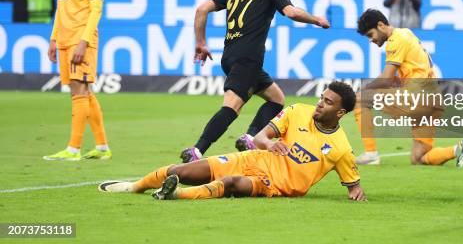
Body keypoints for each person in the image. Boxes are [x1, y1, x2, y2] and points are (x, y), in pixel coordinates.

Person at [180, 0, 330, 163]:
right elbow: (291, 12)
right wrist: (317, 19)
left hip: (230, 56)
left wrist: (201, 43)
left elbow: (202, 9)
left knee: (277, 99)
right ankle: (197, 150)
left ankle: (250, 137)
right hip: (247, 57)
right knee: (232, 106)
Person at [99, 82, 366, 201]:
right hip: (253, 159)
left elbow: (353, 185)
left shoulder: (341, 149)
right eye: (321, 97)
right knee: (182, 171)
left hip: (273, 185)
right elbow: (261, 136)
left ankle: (175, 194)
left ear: (340, 113)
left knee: (230, 184)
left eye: (328, 102)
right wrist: (269, 144)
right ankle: (134, 187)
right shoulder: (298, 110)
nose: (320, 103)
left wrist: (355, 192)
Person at [353, 9, 463, 167]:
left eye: (370, 34)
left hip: (417, 98)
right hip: (434, 100)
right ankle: (456, 150)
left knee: (360, 99)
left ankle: (371, 153)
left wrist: (364, 89)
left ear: (380, 25)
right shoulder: (406, 33)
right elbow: (397, 76)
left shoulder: (395, 40)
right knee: (419, 157)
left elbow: (386, 78)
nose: (370, 40)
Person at [43, 0, 111, 161]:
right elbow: (61, 8)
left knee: (79, 91)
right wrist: (53, 39)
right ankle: (102, 147)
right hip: (63, 37)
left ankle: (73, 149)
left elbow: (96, 10)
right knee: (83, 90)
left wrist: (83, 42)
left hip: (82, 38)